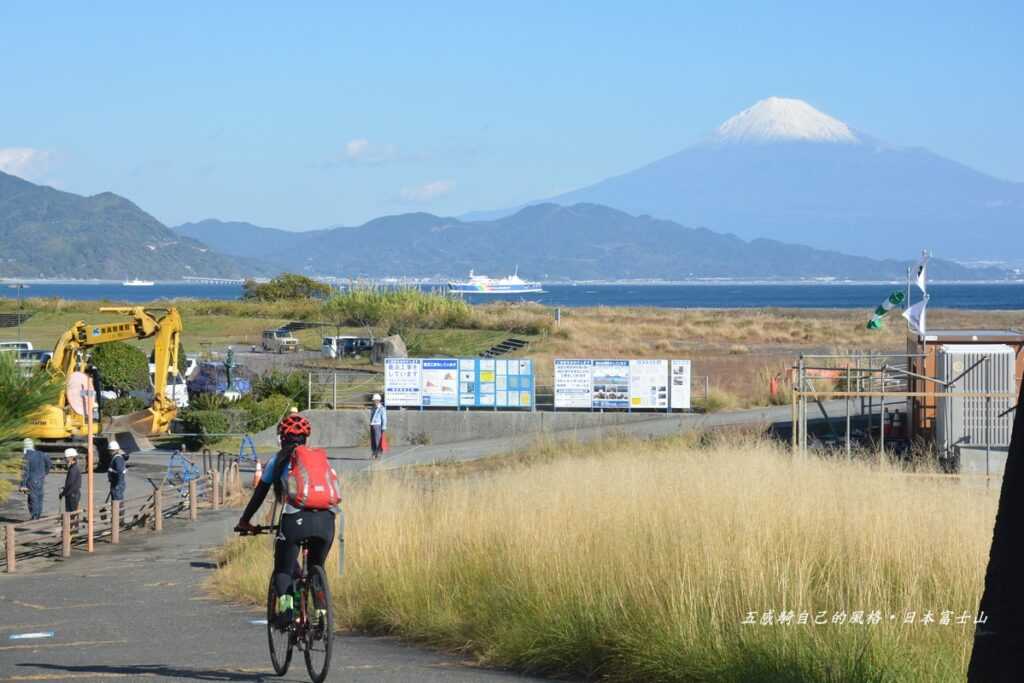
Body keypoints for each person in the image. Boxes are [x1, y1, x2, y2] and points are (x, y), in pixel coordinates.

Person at [234, 414, 339, 628]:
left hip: (295, 520)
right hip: (327, 520)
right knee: (316, 566)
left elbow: (259, 494)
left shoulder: (278, 460)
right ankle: (320, 615)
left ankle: (288, 611)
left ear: (282, 438)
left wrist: (245, 521)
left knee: (283, 568)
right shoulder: (320, 459)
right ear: (306, 439)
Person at [18, 438, 52, 520]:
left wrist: (23, 484)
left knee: (33, 498)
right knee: (39, 496)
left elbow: (25, 472)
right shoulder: (41, 453)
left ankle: (34, 516)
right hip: (40, 479)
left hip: (31, 481)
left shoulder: (26, 457)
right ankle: (38, 515)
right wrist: (44, 473)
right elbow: (49, 464)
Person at [59, 448, 82, 513]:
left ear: (71, 457)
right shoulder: (73, 467)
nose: (65, 459)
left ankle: (72, 523)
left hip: (72, 495)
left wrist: (63, 493)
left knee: (71, 514)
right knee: (73, 513)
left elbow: (70, 483)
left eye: (66, 458)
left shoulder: (73, 469)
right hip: (73, 493)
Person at [369, 393, 387, 459]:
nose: (374, 402)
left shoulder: (382, 408)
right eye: (373, 401)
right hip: (372, 425)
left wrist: (383, 427)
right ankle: (374, 452)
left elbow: (384, 418)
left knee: (378, 440)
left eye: (375, 400)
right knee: (373, 440)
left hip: (378, 426)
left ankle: (378, 453)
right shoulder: (373, 408)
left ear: (378, 400)